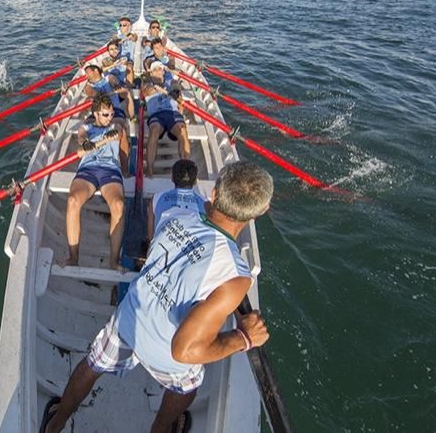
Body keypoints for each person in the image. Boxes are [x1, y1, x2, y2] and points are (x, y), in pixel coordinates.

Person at [40, 161, 274, 433]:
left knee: (92, 363)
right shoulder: (235, 277)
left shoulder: (173, 215)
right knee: (188, 383)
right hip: (166, 355)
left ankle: (55, 424)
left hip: (129, 320)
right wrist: (244, 338)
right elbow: (184, 351)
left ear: (214, 195)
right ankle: (161, 429)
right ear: (259, 213)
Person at [61, 95, 126, 272]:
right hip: (88, 171)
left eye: (112, 113)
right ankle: (73, 257)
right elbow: (81, 140)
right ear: (96, 114)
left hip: (110, 171)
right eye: (106, 114)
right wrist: (86, 143)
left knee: (118, 205)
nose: (110, 117)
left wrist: (125, 171)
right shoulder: (86, 127)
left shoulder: (116, 126)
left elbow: (122, 142)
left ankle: (113, 261)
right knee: (73, 201)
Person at [143, 62, 189, 177]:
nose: (158, 71)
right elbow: (147, 91)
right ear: (151, 73)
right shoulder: (147, 84)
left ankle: (186, 169)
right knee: (154, 129)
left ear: (164, 71)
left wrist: (175, 91)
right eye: (155, 69)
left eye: (160, 69)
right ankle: (149, 170)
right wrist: (157, 89)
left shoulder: (171, 82)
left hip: (172, 113)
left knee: (182, 129)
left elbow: (178, 94)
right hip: (157, 115)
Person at [84, 63, 131, 175]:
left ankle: (124, 170)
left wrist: (116, 86)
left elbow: (114, 81)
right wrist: (98, 94)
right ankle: (90, 158)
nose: (86, 75)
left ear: (96, 70)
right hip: (97, 113)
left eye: (87, 72)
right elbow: (91, 92)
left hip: (114, 110)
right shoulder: (88, 86)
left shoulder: (109, 77)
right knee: (86, 125)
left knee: (121, 129)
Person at [146, 159, 206, 242]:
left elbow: (151, 235)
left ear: (172, 178)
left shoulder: (156, 198)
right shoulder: (205, 203)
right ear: (195, 180)